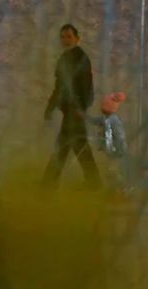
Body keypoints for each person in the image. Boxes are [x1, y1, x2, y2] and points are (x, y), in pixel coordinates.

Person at [42, 24, 100, 188]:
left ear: (77, 38)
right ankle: (93, 182)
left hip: (75, 111)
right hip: (69, 110)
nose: (65, 40)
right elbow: (59, 87)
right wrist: (50, 108)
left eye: (69, 36)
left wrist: (81, 108)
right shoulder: (64, 59)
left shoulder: (81, 58)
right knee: (73, 146)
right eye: (63, 37)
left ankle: (49, 182)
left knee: (68, 146)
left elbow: (87, 86)